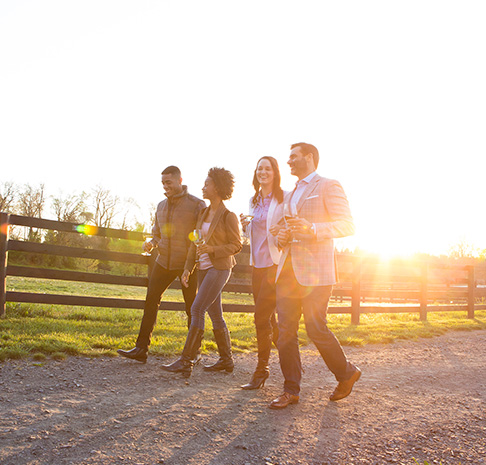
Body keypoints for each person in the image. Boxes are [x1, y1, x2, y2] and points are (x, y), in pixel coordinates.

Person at [268, 142, 361, 409]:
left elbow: (347, 224)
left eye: (293, 157)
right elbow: (286, 229)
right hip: (287, 271)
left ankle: (346, 373)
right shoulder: (290, 193)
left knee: (315, 328)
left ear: (309, 158)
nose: (289, 162)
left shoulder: (328, 185)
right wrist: (283, 235)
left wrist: (312, 228)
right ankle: (290, 390)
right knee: (285, 331)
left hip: (317, 273)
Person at [117, 166, 205, 363]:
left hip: (186, 265)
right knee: (151, 300)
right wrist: (151, 243)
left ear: (180, 180)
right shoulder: (160, 206)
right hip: (163, 261)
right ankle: (141, 349)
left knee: (192, 307)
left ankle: (194, 352)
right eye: (163, 183)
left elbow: (199, 236)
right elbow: (157, 233)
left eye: (169, 183)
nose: (166, 187)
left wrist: (191, 265)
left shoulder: (197, 204)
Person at [162, 167, 242, 377]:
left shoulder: (228, 216)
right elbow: (194, 242)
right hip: (204, 268)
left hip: (220, 268)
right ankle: (226, 360)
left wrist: (213, 249)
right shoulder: (203, 213)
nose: (203, 187)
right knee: (216, 314)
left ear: (217, 187)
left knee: (197, 308)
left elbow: (236, 245)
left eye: (207, 184)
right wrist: (188, 268)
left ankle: (186, 361)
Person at [239, 156, 286, 390]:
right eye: (259, 169)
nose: (263, 172)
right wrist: (244, 225)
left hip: (275, 266)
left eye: (267, 169)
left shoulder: (284, 198)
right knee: (269, 319)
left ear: (275, 172)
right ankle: (289, 357)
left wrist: (282, 231)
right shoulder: (253, 200)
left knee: (260, 317)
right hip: (256, 265)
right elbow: (251, 234)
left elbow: (289, 227)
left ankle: (261, 370)